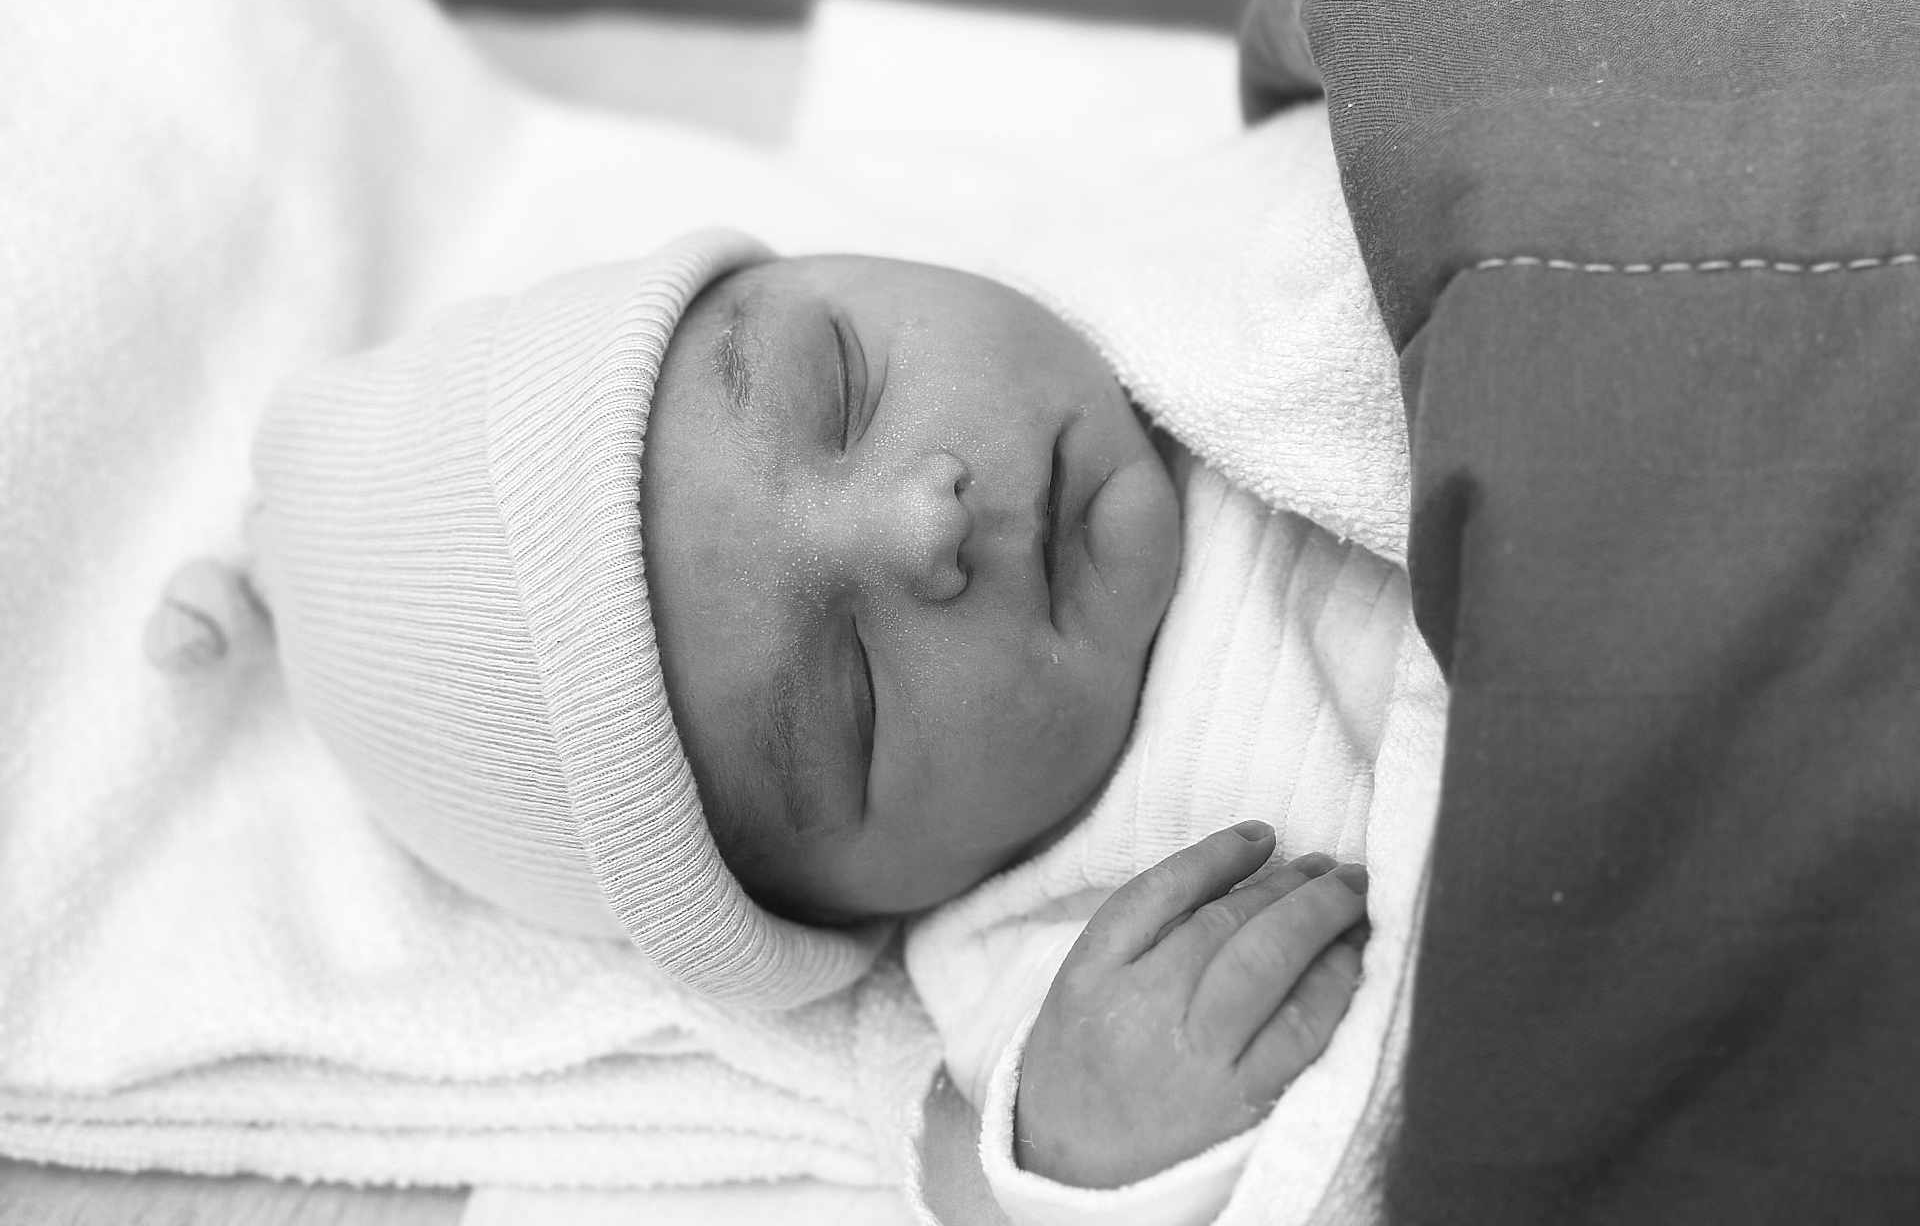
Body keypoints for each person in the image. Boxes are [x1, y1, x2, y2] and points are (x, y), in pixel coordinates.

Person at [241, 205, 1397, 1215]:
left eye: (841, 387)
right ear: (862, 911)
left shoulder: (1185, 250)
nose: (920, 527)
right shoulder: (1046, 973)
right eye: (854, 697)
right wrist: (1103, 1161)